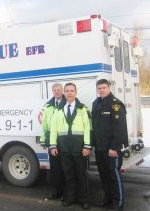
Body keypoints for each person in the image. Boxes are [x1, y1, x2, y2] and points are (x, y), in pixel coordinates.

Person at [50, 83, 91, 209]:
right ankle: (70, 198)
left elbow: (87, 128)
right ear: (64, 93)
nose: (69, 93)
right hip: (64, 148)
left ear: (76, 92)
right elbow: (53, 129)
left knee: (81, 175)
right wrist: (53, 146)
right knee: (68, 175)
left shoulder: (82, 109)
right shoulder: (58, 110)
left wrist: (87, 146)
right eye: (67, 91)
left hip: (79, 149)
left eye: (71, 91)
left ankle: (83, 199)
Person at [91, 79, 128, 211]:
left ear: (109, 87)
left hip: (111, 148)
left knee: (114, 175)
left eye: (104, 88)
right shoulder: (96, 103)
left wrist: (114, 147)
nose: (101, 90)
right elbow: (95, 126)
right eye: (99, 88)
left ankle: (118, 204)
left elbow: (120, 129)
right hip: (100, 147)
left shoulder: (115, 105)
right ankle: (108, 199)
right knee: (104, 175)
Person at [40, 83, 65, 200]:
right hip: (52, 141)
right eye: (54, 90)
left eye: (59, 90)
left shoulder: (68, 103)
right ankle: (55, 192)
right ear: (52, 91)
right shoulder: (48, 105)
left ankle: (66, 193)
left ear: (62, 90)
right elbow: (44, 123)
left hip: (65, 140)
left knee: (65, 167)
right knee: (54, 168)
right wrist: (43, 139)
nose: (56, 92)